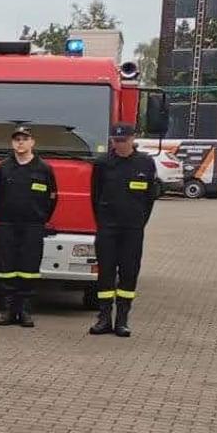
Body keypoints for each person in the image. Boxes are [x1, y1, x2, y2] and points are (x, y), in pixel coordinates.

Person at [89, 124, 158, 337]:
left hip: (132, 230)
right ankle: (103, 318)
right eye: (116, 141)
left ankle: (122, 320)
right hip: (107, 228)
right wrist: (103, 222)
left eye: (123, 140)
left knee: (129, 273)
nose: (119, 144)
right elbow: (95, 195)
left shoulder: (145, 163)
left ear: (132, 139)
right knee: (105, 273)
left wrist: (138, 222)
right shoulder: (102, 163)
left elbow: (149, 198)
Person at [0, 125, 56, 328]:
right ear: (12, 143)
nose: (20, 143)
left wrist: (40, 218)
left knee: (29, 268)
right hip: (7, 225)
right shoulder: (3, 168)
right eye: (17, 139)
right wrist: (2, 218)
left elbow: (52, 198)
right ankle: (8, 310)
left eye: (25, 139)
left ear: (32, 142)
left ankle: (25, 310)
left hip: (33, 226)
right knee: (6, 268)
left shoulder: (44, 169)